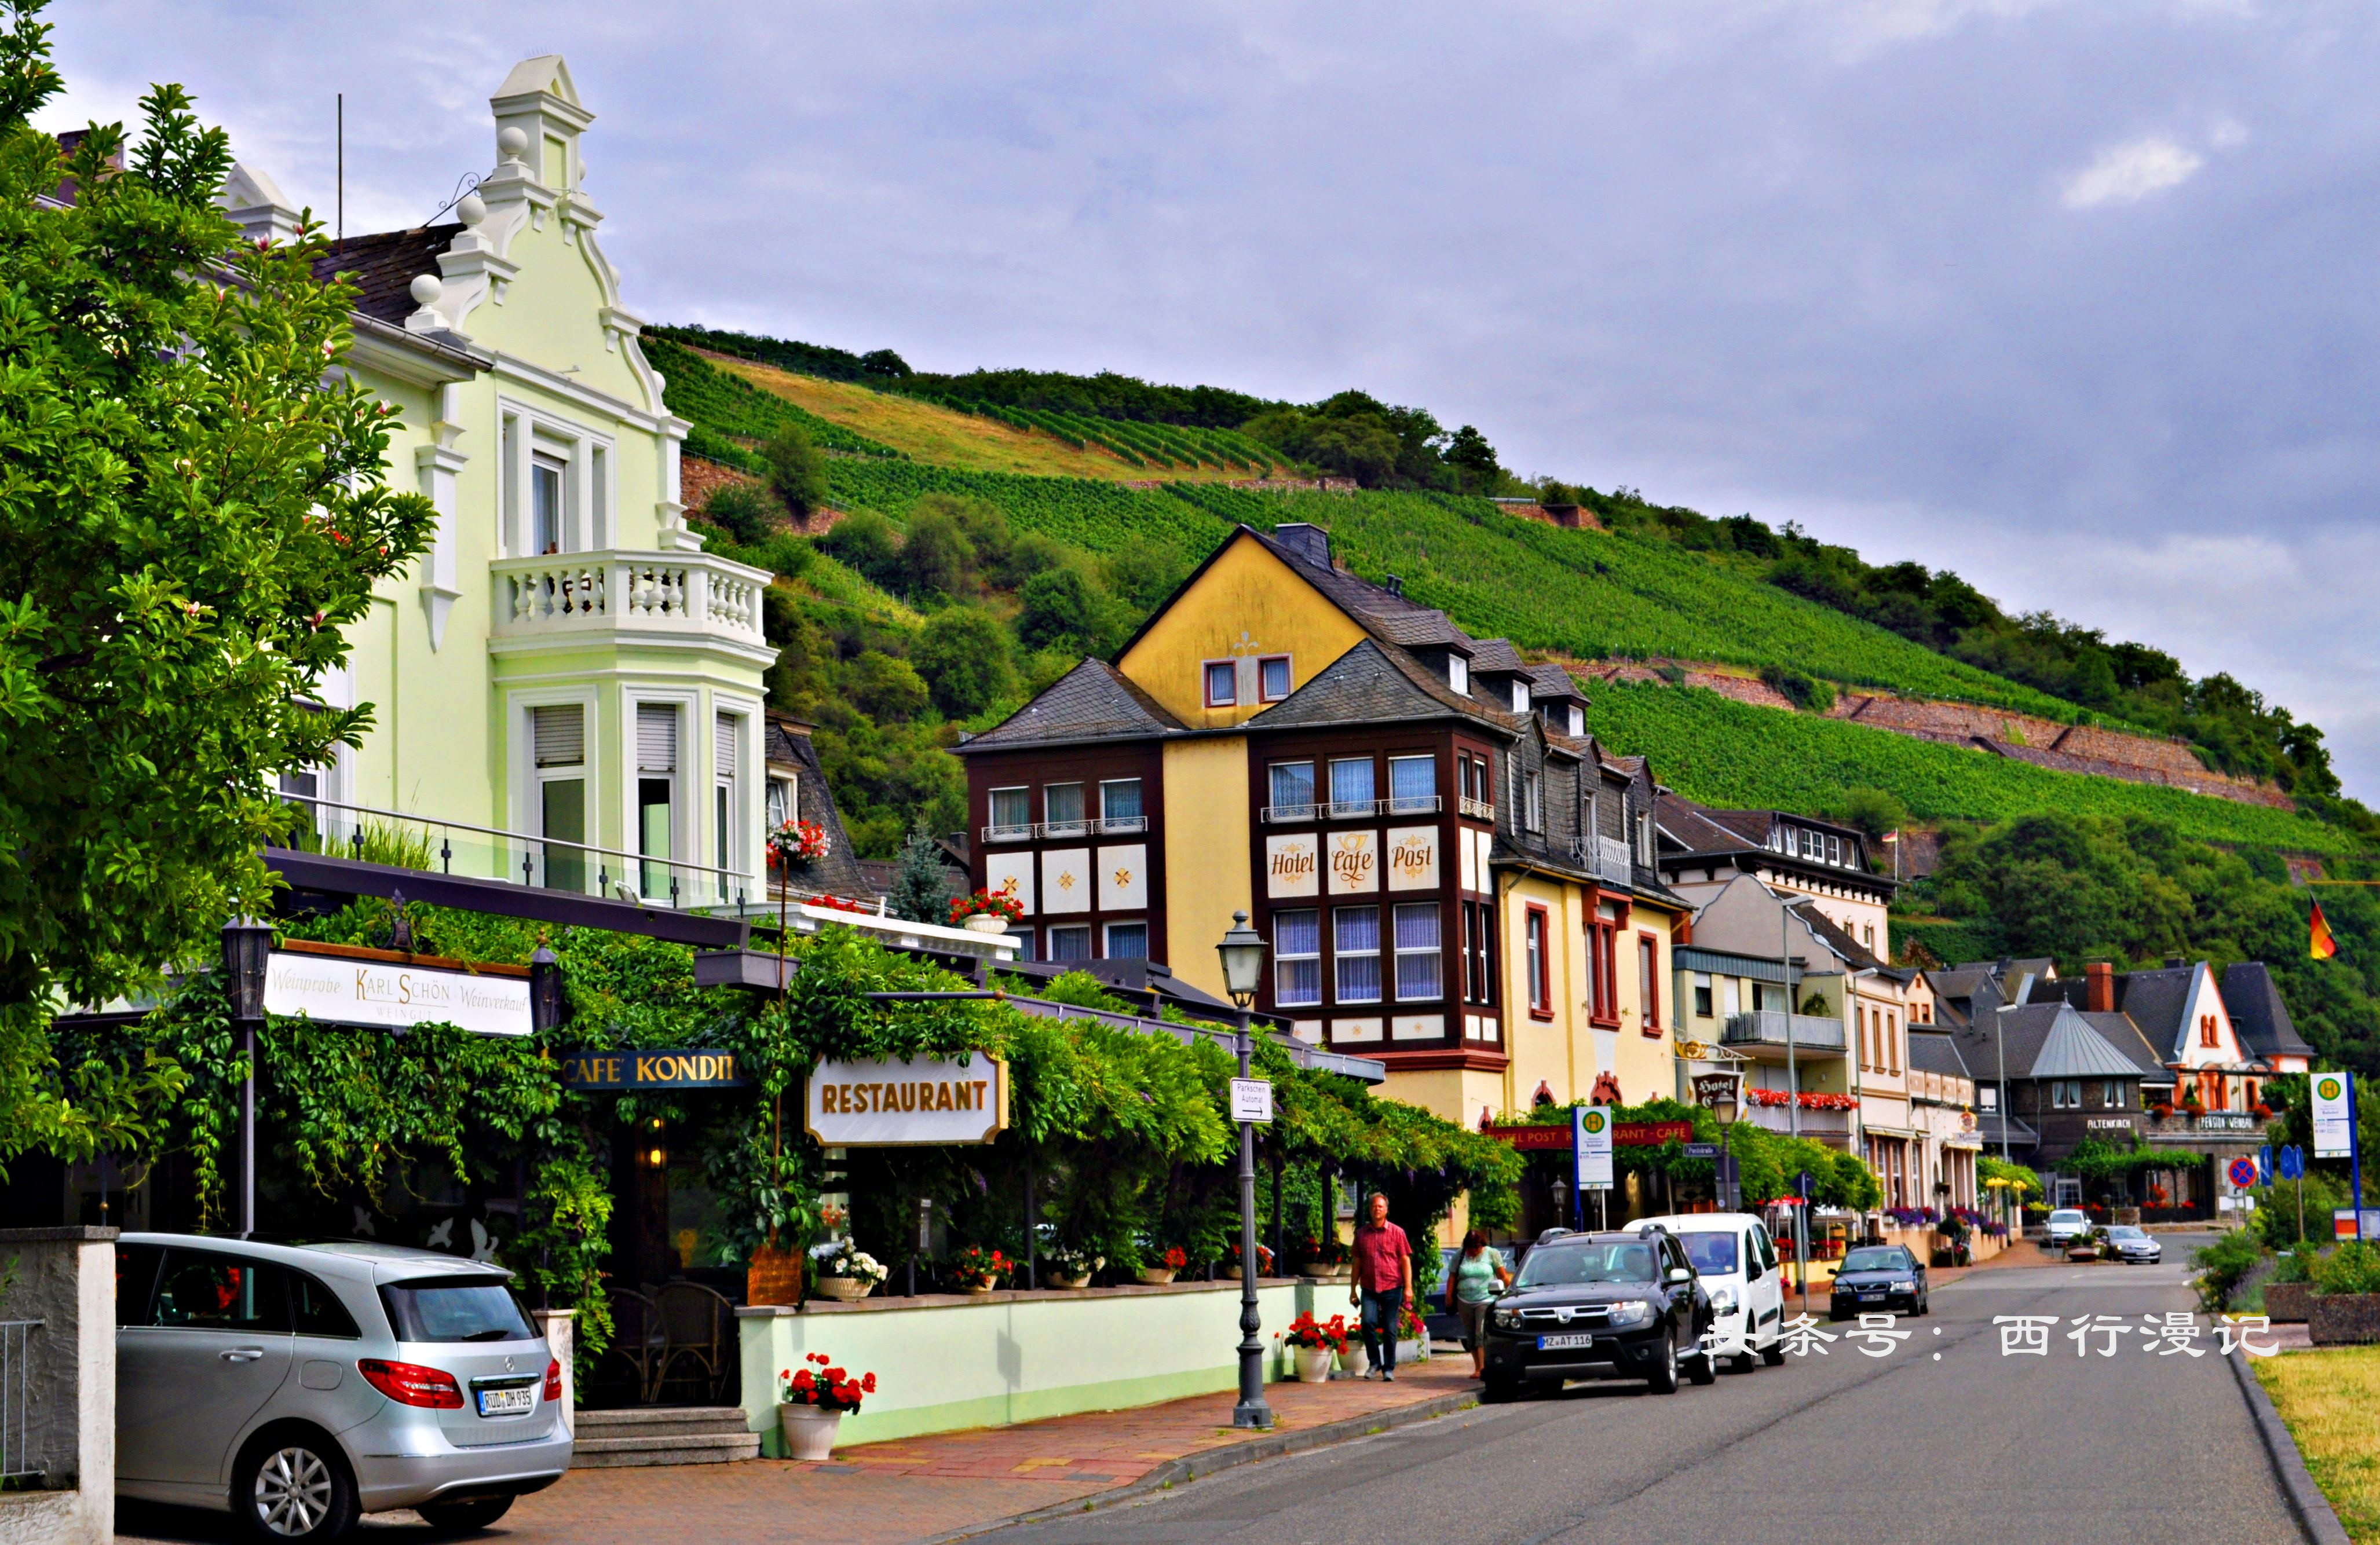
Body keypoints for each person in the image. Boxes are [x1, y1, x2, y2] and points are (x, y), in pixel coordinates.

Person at [1350, 1192, 1413, 1380]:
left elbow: (1405, 1260)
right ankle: (1374, 1363)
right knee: (1367, 1323)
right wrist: (1353, 1290)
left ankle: (1389, 1368)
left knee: (1390, 1328)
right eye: (1374, 1206)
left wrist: (1408, 1287)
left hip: (1392, 1287)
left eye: (1380, 1206)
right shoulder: (1361, 1234)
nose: (1377, 1209)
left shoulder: (1397, 1232)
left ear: (1386, 1210)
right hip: (1369, 1288)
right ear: (1370, 1210)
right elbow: (1357, 1263)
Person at [1445, 1228, 1512, 1378]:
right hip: (1464, 1300)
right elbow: (1452, 1277)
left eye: (1477, 1247)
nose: (1474, 1251)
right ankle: (1477, 1366)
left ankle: (1483, 1368)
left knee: (1480, 1332)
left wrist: (1510, 1292)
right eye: (1471, 1248)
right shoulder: (1460, 1255)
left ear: (1482, 1245)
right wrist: (1449, 1296)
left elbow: (1502, 1276)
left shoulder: (1491, 1254)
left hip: (1486, 1299)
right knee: (1470, 1334)